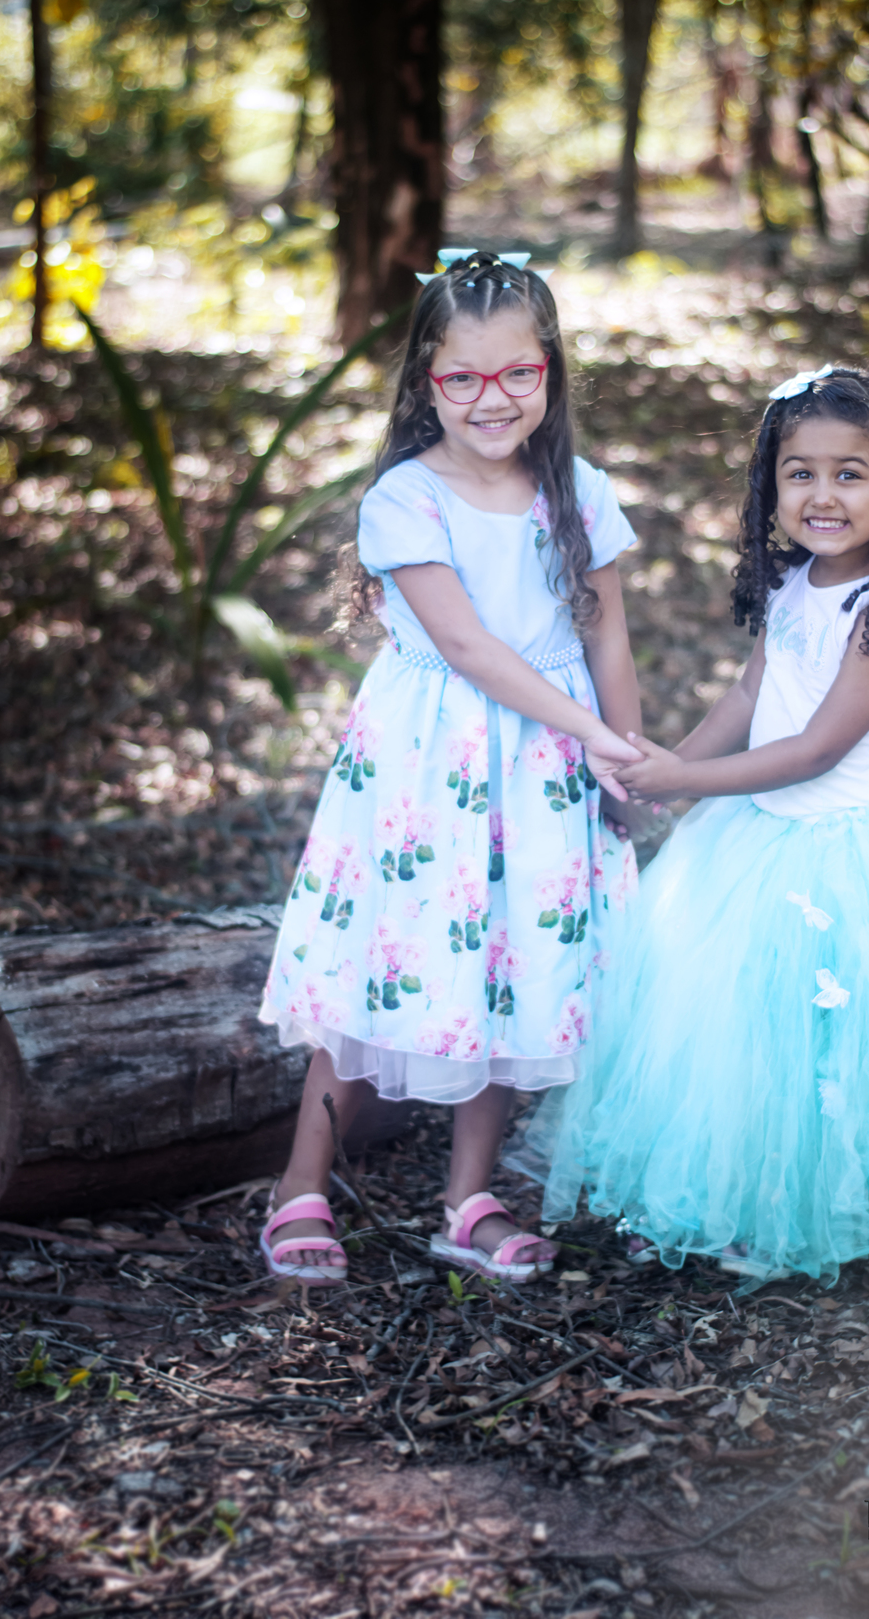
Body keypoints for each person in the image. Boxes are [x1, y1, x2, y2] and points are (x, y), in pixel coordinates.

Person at [514, 364, 869, 1285]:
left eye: (850, 473)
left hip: (853, 847)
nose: (823, 495)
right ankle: (727, 1195)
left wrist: (688, 778)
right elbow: (753, 694)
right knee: (740, 1025)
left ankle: (817, 1206)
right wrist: (668, 775)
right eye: (800, 473)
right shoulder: (792, 583)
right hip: (757, 833)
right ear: (770, 487)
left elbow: (818, 748)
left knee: (838, 1034)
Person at [257, 248, 642, 1284]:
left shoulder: (581, 492)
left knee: (513, 960)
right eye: (463, 377)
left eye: (518, 372)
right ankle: (300, 1182)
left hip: (548, 763)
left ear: (550, 372)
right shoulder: (407, 498)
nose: (492, 397)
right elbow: (468, 647)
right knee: (380, 956)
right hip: (432, 765)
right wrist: (591, 730)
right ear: (426, 382)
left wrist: (625, 755)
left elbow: (607, 634)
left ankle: (468, 1198)